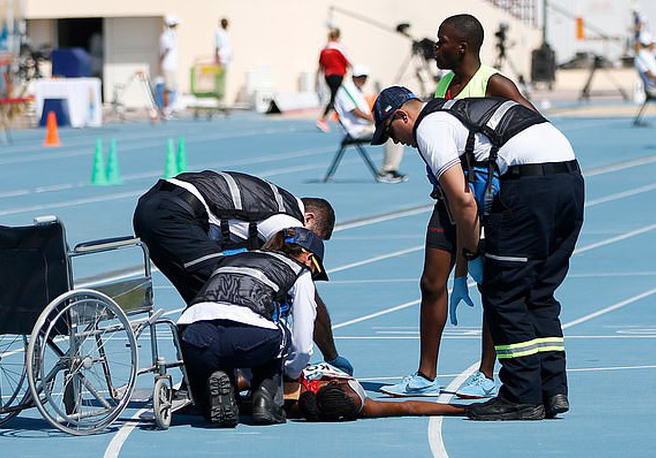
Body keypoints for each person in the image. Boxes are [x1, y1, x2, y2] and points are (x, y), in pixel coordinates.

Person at [371, 86, 583, 420]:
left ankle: (521, 396)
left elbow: (463, 201)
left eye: (390, 132)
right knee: (539, 292)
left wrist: (472, 258)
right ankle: (552, 388)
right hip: (569, 179)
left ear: (402, 116)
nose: (396, 142)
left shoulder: (430, 126)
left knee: (504, 293)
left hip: (529, 186)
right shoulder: (458, 113)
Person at [380, 14, 535, 399]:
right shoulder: (446, 85)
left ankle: (485, 373)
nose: (435, 48)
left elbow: (533, 126)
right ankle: (425, 374)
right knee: (432, 282)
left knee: (489, 286)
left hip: (488, 199)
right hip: (449, 198)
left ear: (461, 46)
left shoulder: (494, 82)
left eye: (441, 41)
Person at [133, 170, 353, 375]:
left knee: (206, 299)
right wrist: (331, 356)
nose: (311, 248)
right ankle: (221, 381)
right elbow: (306, 292)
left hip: (153, 206)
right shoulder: (287, 223)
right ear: (309, 218)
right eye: (315, 238)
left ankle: (217, 376)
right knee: (222, 297)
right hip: (176, 215)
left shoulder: (271, 202)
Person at [178, 227, 326, 427]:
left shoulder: (235, 258)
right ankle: (265, 401)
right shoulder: (299, 272)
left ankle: (214, 392)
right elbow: (302, 342)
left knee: (216, 353)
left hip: (192, 333)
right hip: (251, 336)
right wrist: (291, 373)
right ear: (309, 258)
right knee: (280, 334)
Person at [284, 362, 466, 421]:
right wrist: (463, 409)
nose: (358, 393)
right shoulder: (363, 407)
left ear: (333, 383)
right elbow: (410, 408)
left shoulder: (299, 397)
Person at [333, 64, 408, 184]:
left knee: (395, 130)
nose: (361, 80)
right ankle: (386, 171)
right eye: (358, 77)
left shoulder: (356, 90)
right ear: (353, 77)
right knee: (391, 133)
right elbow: (354, 111)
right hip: (356, 130)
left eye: (363, 78)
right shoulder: (346, 90)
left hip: (364, 127)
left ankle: (390, 169)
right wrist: (375, 120)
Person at [316, 28, 351, 133]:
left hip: (328, 76)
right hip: (337, 75)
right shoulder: (339, 48)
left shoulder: (325, 49)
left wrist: (318, 79)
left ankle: (341, 120)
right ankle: (323, 119)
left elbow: (321, 66)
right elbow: (347, 62)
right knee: (335, 98)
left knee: (336, 97)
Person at [159, 13, 181, 113]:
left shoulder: (171, 34)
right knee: (167, 87)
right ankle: (166, 107)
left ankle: (172, 105)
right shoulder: (166, 36)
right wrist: (160, 62)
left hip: (172, 65)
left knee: (173, 86)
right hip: (167, 65)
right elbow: (166, 50)